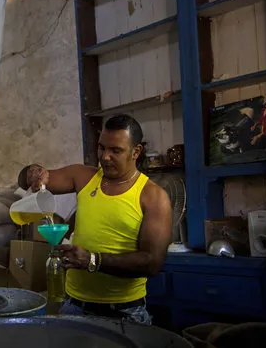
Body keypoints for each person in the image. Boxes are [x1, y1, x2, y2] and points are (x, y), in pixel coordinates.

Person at [18, 114, 172, 325]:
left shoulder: (153, 196)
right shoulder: (84, 176)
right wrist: (32, 172)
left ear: (136, 152)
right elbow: (30, 180)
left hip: (125, 313)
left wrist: (93, 260)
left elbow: (151, 263)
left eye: (115, 150)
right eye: (101, 148)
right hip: (74, 306)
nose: (105, 157)